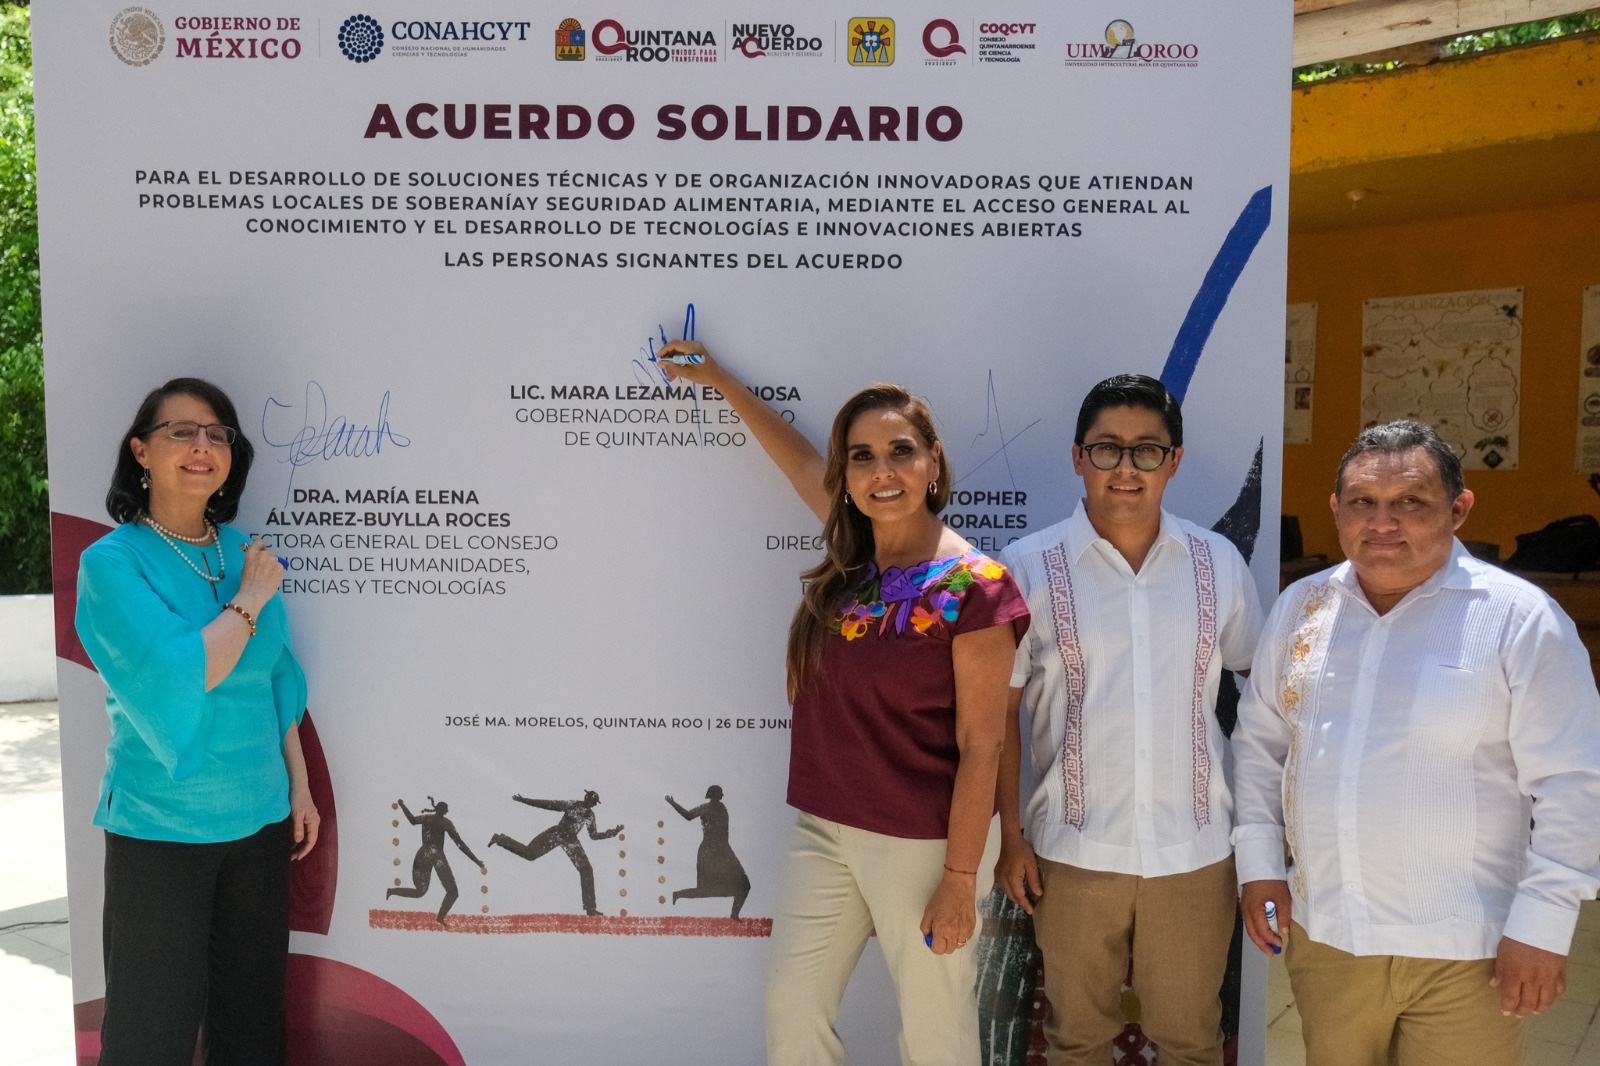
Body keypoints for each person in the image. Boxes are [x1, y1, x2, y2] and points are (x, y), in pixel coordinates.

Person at [656, 338, 1029, 1066]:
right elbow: (799, 461)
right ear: (848, 475)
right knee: (792, 1007)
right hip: (824, 829)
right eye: (862, 457)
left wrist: (960, 881)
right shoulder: (854, 558)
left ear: (933, 463)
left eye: (900, 452)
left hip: (925, 844)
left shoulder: (977, 588)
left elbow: (983, 745)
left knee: (935, 1030)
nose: (882, 471)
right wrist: (720, 379)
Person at [1233, 420, 1600, 1066]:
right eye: (1363, 502)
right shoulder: (1301, 608)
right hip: (1330, 940)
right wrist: (1260, 864)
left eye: (1410, 502)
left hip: (1469, 951)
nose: (1383, 523)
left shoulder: (1518, 618)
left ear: (1458, 510)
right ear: (1336, 509)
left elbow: (1574, 781)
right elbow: (1261, 744)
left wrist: (1543, 926)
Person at [993, 374, 1264, 1066]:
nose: (1126, 468)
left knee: (1191, 1042)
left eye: (1147, 451)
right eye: (1107, 449)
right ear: (1077, 457)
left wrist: (1263, 832)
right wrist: (1011, 837)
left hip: (1195, 853)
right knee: (1075, 1041)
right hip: (1072, 853)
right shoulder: (1027, 568)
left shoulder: (1217, 563)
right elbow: (1001, 715)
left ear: (1174, 461)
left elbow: (1260, 692)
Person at [75, 377, 319, 1064]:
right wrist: (251, 598)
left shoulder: (243, 551)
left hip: (260, 819)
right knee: (151, 1029)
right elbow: (181, 672)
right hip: (161, 825)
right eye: (181, 432)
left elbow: (277, 679)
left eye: (217, 435)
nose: (202, 446)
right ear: (140, 452)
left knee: (250, 1021)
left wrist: (299, 787)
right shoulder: (112, 563)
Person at [488, 790, 621, 916]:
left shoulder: (590, 815)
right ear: (586, 799)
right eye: (591, 802)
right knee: (530, 854)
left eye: (594, 804)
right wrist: (524, 800)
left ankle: (590, 909)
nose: (591, 805)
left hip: (571, 840)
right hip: (556, 833)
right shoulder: (572, 804)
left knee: (586, 870)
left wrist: (611, 833)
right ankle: (499, 839)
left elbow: (593, 835)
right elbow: (548, 804)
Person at [387, 797, 487, 924]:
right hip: (436, 856)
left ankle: (393, 891)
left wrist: (402, 805)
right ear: (445, 811)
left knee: (421, 892)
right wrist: (476, 861)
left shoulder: (428, 818)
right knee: (452, 892)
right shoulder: (446, 823)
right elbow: (459, 844)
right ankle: (440, 917)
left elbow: (412, 820)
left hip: (424, 855)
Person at [666, 786, 751, 919]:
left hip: (723, 851)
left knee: (744, 885)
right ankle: (678, 894)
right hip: (709, 852)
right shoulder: (706, 808)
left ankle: (734, 915)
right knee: (705, 891)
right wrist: (673, 803)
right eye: (719, 794)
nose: (721, 796)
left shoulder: (721, 807)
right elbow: (688, 815)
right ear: (715, 795)